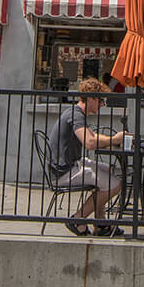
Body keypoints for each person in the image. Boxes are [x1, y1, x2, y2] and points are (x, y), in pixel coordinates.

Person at [49, 76, 126, 236]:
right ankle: (78, 219)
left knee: (108, 170)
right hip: (63, 171)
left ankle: (101, 224)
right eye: (101, 100)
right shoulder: (76, 115)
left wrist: (113, 140)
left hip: (70, 165)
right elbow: (90, 142)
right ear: (90, 98)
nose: (103, 104)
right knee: (116, 184)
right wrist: (115, 139)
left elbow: (93, 135)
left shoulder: (76, 113)